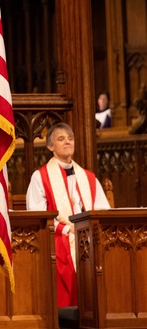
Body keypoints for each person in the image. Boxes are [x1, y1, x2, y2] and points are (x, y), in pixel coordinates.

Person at [26, 122, 110, 307]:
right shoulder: (40, 177)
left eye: (70, 138)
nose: (67, 142)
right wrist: (67, 230)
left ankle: (102, 310)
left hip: (89, 235)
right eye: (61, 139)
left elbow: (103, 212)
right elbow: (38, 217)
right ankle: (70, 314)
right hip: (59, 236)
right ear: (50, 146)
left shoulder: (88, 177)